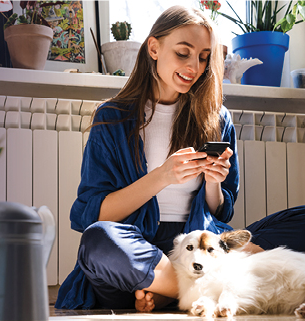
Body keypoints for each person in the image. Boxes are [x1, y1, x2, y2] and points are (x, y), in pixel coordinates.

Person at [55, 5, 305, 312]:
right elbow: (94, 213)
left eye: (203, 57)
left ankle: (166, 291)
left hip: (200, 246)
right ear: (154, 48)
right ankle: (189, 288)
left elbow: (220, 209)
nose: (194, 67)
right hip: (140, 250)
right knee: (97, 241)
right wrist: (162, 176)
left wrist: (213, 183)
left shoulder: (216, 118)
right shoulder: (113, 118)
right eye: (184, 53)